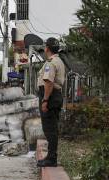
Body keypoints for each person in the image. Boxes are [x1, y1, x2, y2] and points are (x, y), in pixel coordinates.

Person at [36, 37, 65, 167]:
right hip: (55, 95)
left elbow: (48, 82)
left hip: (50, 96)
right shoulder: (59, 61)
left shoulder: (51, 63)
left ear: (47, 48)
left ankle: (51, 158)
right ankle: (51, 156)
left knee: (49, 129)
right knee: (52, 128)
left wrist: (45, 100)